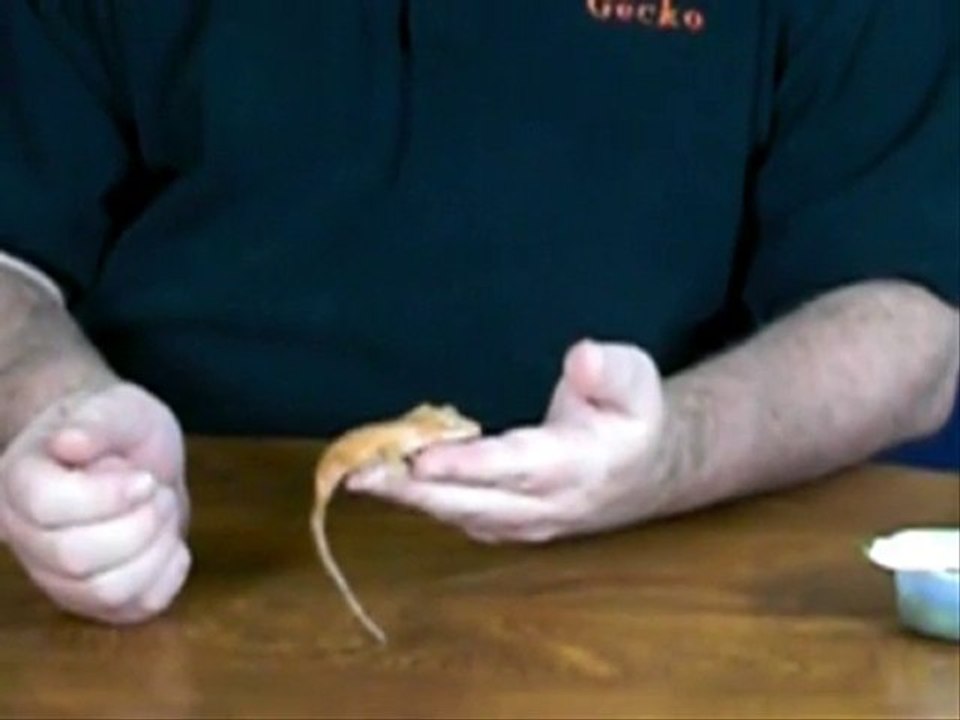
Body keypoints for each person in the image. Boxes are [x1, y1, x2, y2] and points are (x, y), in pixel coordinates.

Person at [1, 0, 957, 626]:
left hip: (657, 588)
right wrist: (66, 420)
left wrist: (676, 450)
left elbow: (909, 326)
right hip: (165, 570)